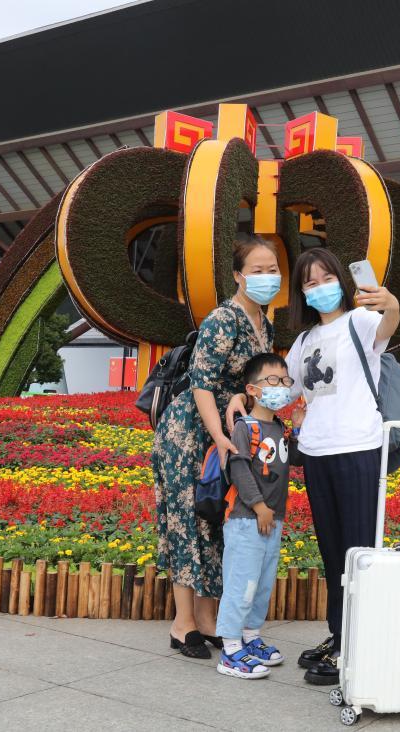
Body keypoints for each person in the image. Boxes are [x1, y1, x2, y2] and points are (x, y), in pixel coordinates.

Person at [228, 248, 400, 686]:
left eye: (325, 278)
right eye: (309, 282)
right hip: (318, 454)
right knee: (332, 553)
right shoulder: (304, 342)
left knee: (359, 550)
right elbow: (285, 392)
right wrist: (242, 399)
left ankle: (357, 648)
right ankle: (339, 635)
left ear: (341, 280)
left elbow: (389, 325)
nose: (319, 287)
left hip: (359, 448)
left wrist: (390, 302)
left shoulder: (361, 323)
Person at [151, 234, 280, 658]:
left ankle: (207, 620)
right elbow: (202, 384)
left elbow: (253, 383)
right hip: (192, 432)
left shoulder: (265, 322)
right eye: (258, 270)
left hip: (232, 432)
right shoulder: (224, 319)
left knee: (215, 523)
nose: (267, 277)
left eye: (273, 269)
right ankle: (182, 623)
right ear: (239, 275)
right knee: (189, 519)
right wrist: (221, 437)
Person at [216, 353, 302, 679]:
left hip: (272, 521)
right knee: (243, 583)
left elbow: (294, 459)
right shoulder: (245, 427)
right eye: (274, 381)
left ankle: (250, 637)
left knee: (262, 584)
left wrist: (301, 425)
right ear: (252, 389)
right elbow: (237, 467)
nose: (281, 387)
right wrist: (258, 505)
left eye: (285, 381)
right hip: (247, 520)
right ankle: (230, 648)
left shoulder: (279, 427)